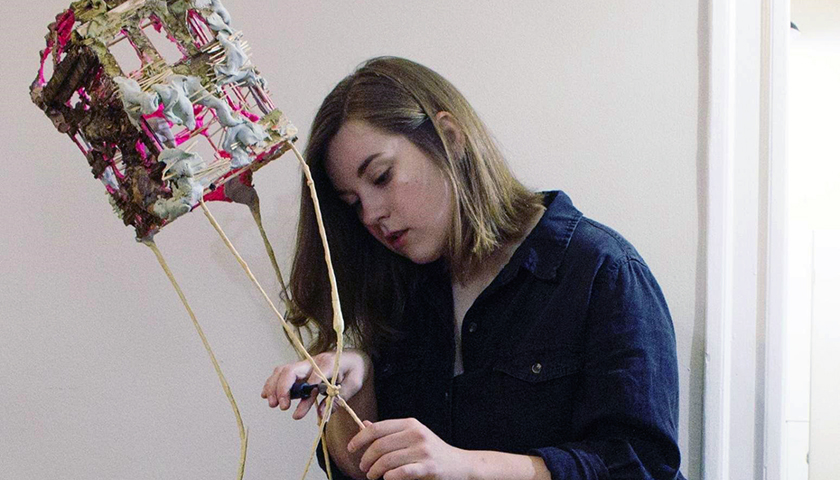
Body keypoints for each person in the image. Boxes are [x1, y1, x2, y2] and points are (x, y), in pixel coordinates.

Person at [261, 56, 685, 480]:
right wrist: (355, 383)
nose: (370, 214)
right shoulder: (401, 288)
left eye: (382, 176)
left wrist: (465, 466)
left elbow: (642, 465)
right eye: (352, 203)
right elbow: (364, 471)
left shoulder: (601, 271)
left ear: (449, 138)